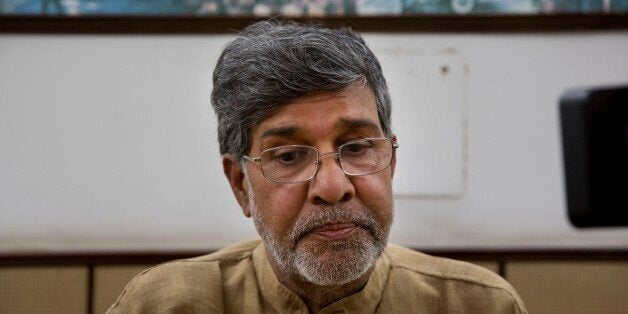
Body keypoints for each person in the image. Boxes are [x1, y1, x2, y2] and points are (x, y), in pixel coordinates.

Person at [108, 20, 527, 313]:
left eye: (358, 147)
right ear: (240, 184)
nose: (332, 186)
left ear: (392, 163)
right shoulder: (163, 305)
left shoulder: (479, 304)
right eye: (289, 156)